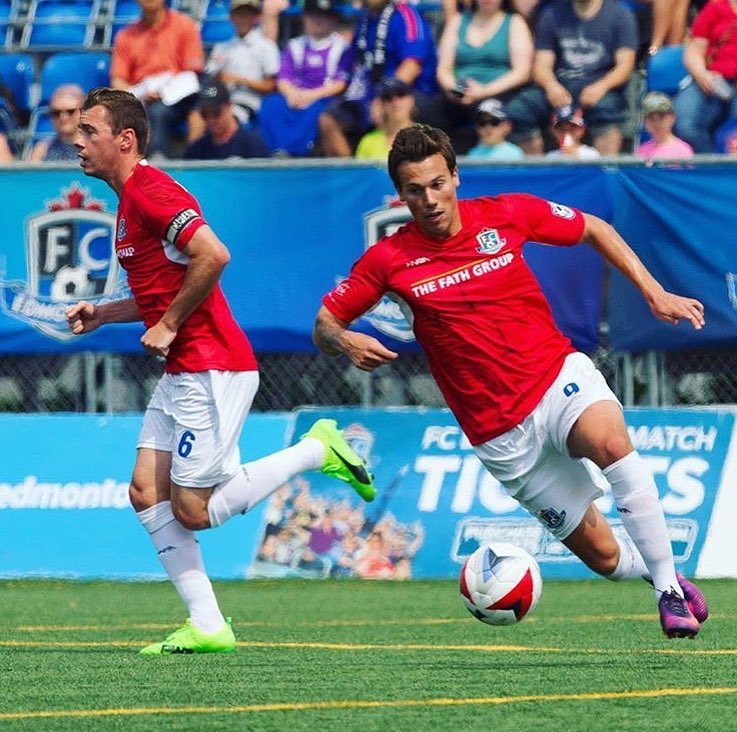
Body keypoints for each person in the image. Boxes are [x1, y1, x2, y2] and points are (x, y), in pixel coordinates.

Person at [313, 124, 710, 639]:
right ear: (401, 194)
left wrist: (654, 292)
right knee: (606, 557)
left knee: (611, 442)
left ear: (455, 176)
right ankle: (662, 574)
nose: (429, 199)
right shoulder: (388, 261)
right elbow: (325, 322)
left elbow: (593, 228)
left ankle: (667, 592)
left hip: (555, 377)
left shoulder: (505, 213)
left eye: (437, 183)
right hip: (499, 434)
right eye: (415, 190)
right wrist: (345, 342)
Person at [67, 87, 376, 655]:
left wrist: (168, 326)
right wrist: (104, 312)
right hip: (187, 369)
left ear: (126, 139)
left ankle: (318, 449)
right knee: (144, 492)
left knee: (194, 509)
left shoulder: (152, 191)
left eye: (89, 130)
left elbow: (214, 254)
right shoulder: (127, 199)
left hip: (212, 367)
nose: (76, 140)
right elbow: (161, 289)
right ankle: (208, 625)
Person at [511, 0, 638, 155]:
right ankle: (533, 173)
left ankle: (607, 172)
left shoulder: (620, 15)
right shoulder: (552, 14)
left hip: (600, 86)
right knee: (520, 110)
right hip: (559, 85)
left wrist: (601, 87)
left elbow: (625, 67)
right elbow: (541, 65)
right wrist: (551, 86)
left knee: (607, 109)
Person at [317, 0, 439, 157]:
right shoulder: (365, 20)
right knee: (328, 119)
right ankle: (351, 177)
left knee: (395, 109)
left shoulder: (406, 16)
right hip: (371, 93)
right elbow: (353, 64)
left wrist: (383, 98)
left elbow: (411, 66)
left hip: (409, 92)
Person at [435, 0, 533, 152]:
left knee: (511, 112)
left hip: (501, 92)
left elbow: (522, 72)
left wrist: (484, 91)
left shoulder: (515, 22)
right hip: (461, 92)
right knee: (430, 110)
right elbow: (443, 68)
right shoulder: (457, 21)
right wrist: (454, 89)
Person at [110, 0, 204, 158]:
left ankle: (189, 161)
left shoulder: (185, 26)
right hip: (141, 97)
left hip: (179, 95)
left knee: (166, 109)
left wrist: (164, 91)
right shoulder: (125, 36)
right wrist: (138, 95)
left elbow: (193, 71)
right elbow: (118, 80)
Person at [258, 0, 351, 157]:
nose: (318, 21)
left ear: (333, 19)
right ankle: (272, 151)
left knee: (317, 111)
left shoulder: (342, 47)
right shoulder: (295, 46)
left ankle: (299, 152)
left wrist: (311, 95)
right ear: (304, 18)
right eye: (313, 16)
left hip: (324, 96)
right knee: (270, 104)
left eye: (323, 16)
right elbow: (283, 78)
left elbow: (341, 83)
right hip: (296, 95)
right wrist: (291, 93)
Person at [673, 0, 737, 153]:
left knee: (732, 134)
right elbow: (694, 50)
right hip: (712, 78)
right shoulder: (715, 6)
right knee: (684, 124)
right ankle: (710, 166)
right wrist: (702, 75)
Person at [203, 0, 280, 126]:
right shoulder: (222, 47)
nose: (243, 19)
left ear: (256, 17)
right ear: (232, 17)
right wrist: (218, 78)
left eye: (247, 15)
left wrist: (240, 80)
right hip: (219, 99)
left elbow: (272, 85)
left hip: (249, 102)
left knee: (226, 118)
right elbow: (210, 83)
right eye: (239, 14)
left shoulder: (266, 47)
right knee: (197, 114)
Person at [184, 80, 270, 159]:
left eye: (216, 113)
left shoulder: (251, 144)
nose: (211, 120)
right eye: (205, 114)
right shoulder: (197, 149)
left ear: (229, 107)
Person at [355, 78, 416, 161]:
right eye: (388, 98)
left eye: (400, 95)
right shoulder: (368, 141)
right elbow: (361, 173)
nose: (395, 102)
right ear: (382, 105)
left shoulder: (427, 136)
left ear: (411, 100)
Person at [29, 84, 85, 162]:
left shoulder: (95, 148)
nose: (63, 118)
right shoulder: (42, 149)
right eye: (56, 113)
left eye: (70, 111)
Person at [636, 90, 694, 160]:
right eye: (651, 118)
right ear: (645, 122)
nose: (656, 123)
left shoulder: (683, 151)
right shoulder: (641, 151)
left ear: (672, 117)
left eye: (661, 117)